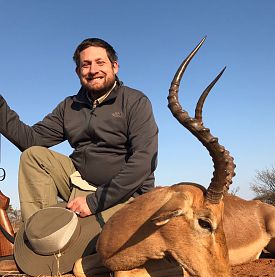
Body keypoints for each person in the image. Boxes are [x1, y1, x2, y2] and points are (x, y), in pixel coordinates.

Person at [0, 38, 158, 222]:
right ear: (78, 72)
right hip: (80, 184)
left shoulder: (135, 101)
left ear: (115, 66)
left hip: (124, 194)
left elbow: (145, 161)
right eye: (86, 65)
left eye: (100, 62)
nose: (93, 70)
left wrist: (93, 203)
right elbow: (30, 140)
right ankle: (42, 232)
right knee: (33, 156)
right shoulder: (70, 106)